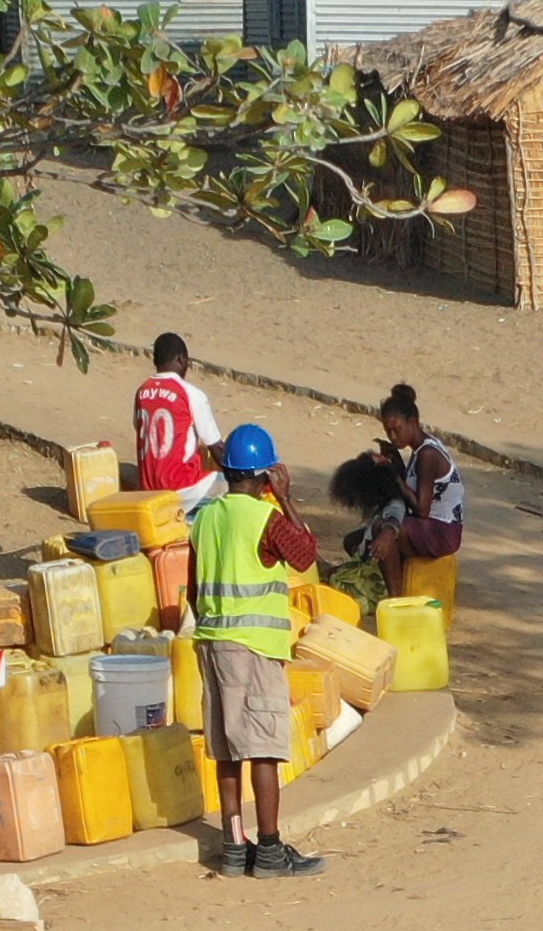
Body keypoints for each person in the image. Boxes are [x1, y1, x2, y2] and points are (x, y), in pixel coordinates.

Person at [186, 423, 322, 878]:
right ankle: (268, 849)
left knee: (227, 749)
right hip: (255, 648)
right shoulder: (266, 520)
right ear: (266, 476)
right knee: (264, 747)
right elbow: (304, 554)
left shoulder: (204, 518)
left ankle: (232, 846)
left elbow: (192, 588)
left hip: (212, 643)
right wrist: (287, 499)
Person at [354, 382, 461, 606]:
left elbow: (422, 509)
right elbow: (412, 485)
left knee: (385, 531)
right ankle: (392, 583)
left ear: (412, 422)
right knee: (355, 540)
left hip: (442, 530)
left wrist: (393, 473)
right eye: (388, 431)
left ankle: (396, 600)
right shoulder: (421, 448)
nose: (393, 436)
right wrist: (394, 458)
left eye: (397, 429)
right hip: (429, 525)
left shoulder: (428, 455)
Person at [127, 333, 217, 498]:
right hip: (180, 487)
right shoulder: (190, 393)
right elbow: (216, 447)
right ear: (182, 359)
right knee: (230, 475)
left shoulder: (142, 391)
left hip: (148, 488)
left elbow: (139, 427)